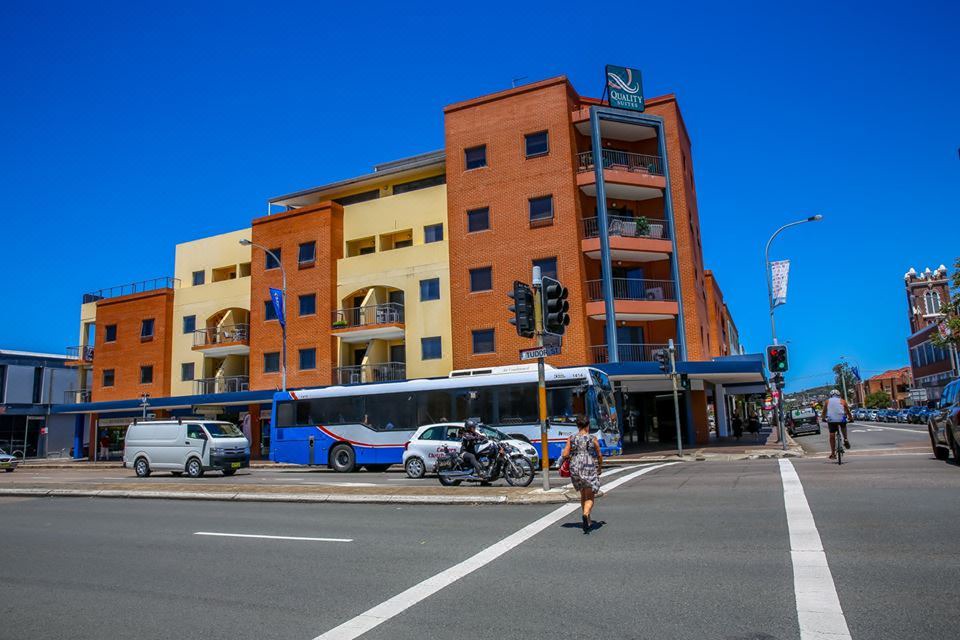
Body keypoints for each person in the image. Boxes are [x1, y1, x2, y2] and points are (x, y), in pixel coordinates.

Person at [561, 415, 603, 533]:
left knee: (583, 493)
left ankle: (588, 520)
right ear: (588, 425)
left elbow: (565, 454)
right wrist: (599, 467)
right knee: (590, 495)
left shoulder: (571, 438)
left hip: (575, 466)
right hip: (589, 465)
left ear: (577, 426)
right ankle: (585, 514)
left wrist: (572, 457)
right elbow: (599, 454)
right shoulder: (592, 438)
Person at [823, 389, 853, 459]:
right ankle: (845, 439)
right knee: (843, 424)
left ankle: (833, 454)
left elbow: (824, 411)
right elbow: (848, 411)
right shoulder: (842, 401)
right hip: (841, 419)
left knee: (832, 435)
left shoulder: (827, 401)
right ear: (839, 395)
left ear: (831, 396)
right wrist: (851, 418)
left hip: (831, 420)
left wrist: (823, 418)